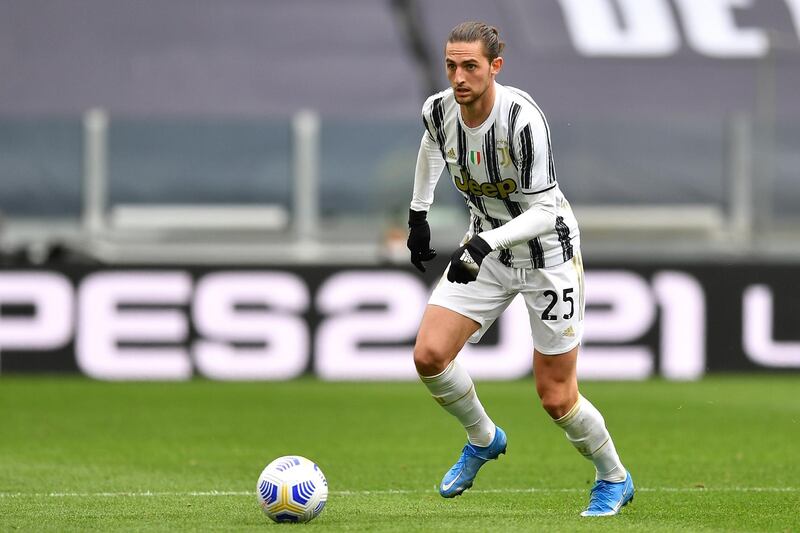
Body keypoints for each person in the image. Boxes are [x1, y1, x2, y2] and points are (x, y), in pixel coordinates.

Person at [406, 21, 634, 517]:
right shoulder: (439, 110)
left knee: (555, 396)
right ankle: (483, 438)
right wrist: (418, 214)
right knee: (429, 354)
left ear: (495, 67)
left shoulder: (521, 119)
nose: (459, 76)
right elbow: (431, 148)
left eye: (470, 66)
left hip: (547, 255)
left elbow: (544, 212)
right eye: (451, 65)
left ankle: (613, 477)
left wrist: (482, 243)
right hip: (488, 247)